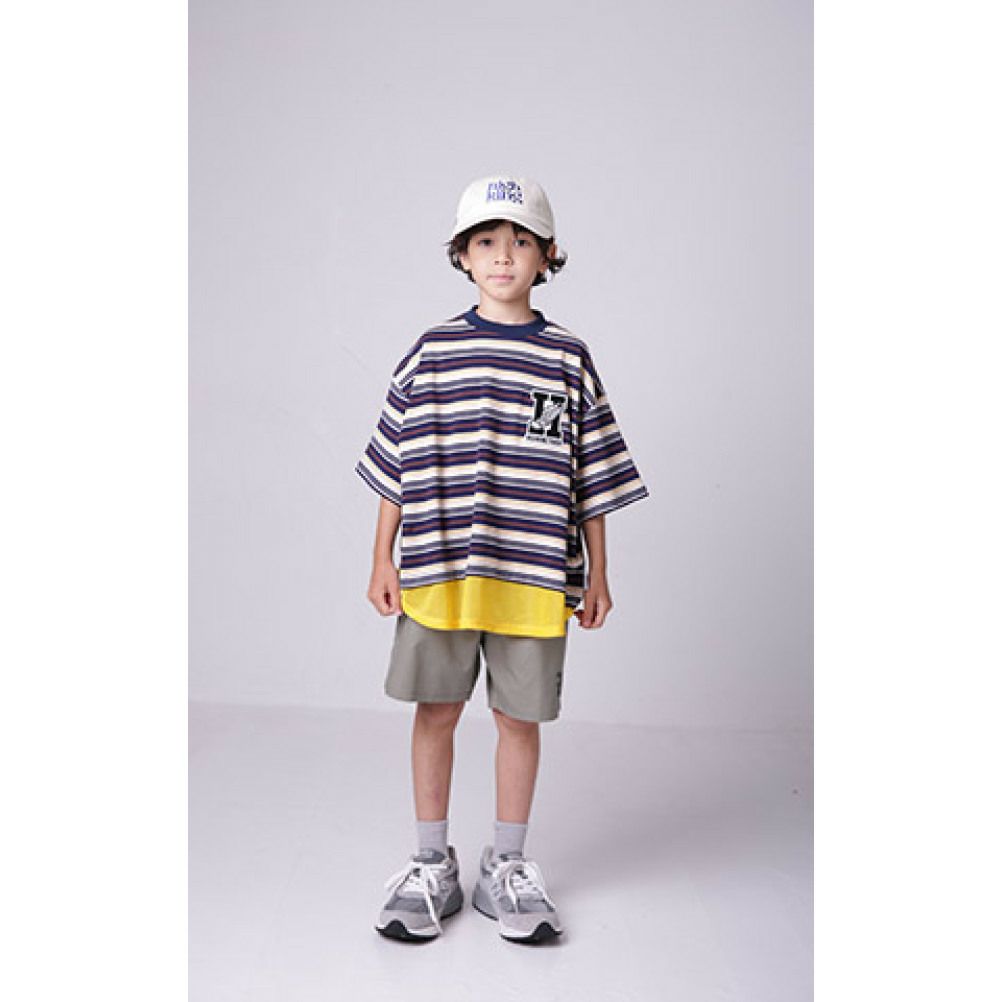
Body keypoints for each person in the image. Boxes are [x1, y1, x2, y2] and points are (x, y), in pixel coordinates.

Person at [356, 175, 650, 943]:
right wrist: (382, 558)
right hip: (441, 569)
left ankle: (507, 866)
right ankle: (431, 864)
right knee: (436, 711)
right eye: (486, 241)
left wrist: (599, 572)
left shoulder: (567, 358)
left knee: (519, 719)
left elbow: (592, 475)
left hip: (534, 575)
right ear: (462, 255)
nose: (503, 256)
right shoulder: (432, 351)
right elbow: (394, 462)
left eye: (521, 241)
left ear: (547, 256)